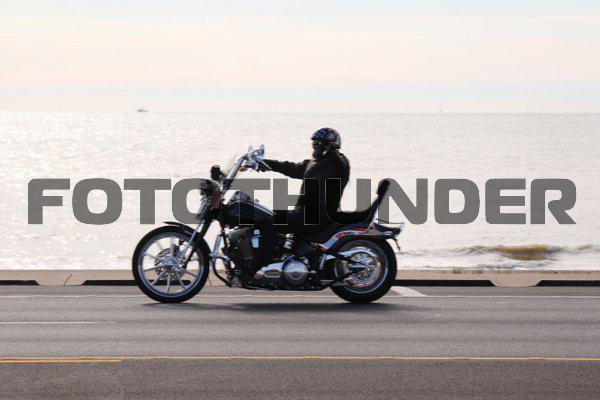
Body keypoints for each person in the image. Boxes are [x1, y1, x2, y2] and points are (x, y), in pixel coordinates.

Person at [248, 127, 351, 267]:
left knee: (273, 221)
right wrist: (265, 163)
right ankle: (272, 256)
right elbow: (291, 168)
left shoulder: (338, 164)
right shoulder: (314, 162)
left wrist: (332, 152)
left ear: (331, 145)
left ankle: (260, 264)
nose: (316, 146)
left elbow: (341, 164)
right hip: (305, 214)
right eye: (314, 142)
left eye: (320, 143)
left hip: (319, 217)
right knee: (265, 216)